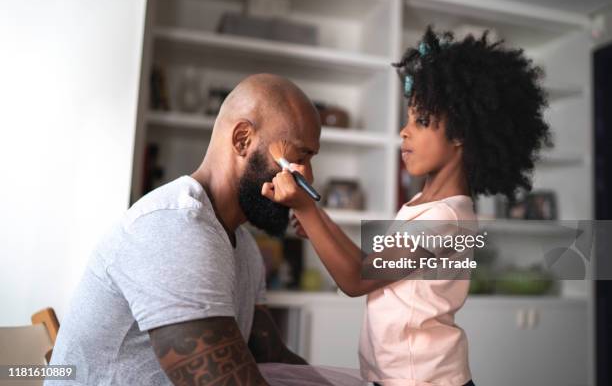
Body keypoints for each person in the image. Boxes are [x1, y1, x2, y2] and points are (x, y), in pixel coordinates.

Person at [263, 26, 551, 386]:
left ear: (461, 133)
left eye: (422, 122)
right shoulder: (422, 204)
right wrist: (318, 218)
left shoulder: (447, 220)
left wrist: (307, 209)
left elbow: (357, 279)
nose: (404, 131)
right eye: (409, 119)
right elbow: (374, 269)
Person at [46, 74, 321, 386]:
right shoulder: (174, 229)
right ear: (242, 139)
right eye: (298, 158)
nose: (307, 178)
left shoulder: (242, 244)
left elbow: (272, 355)